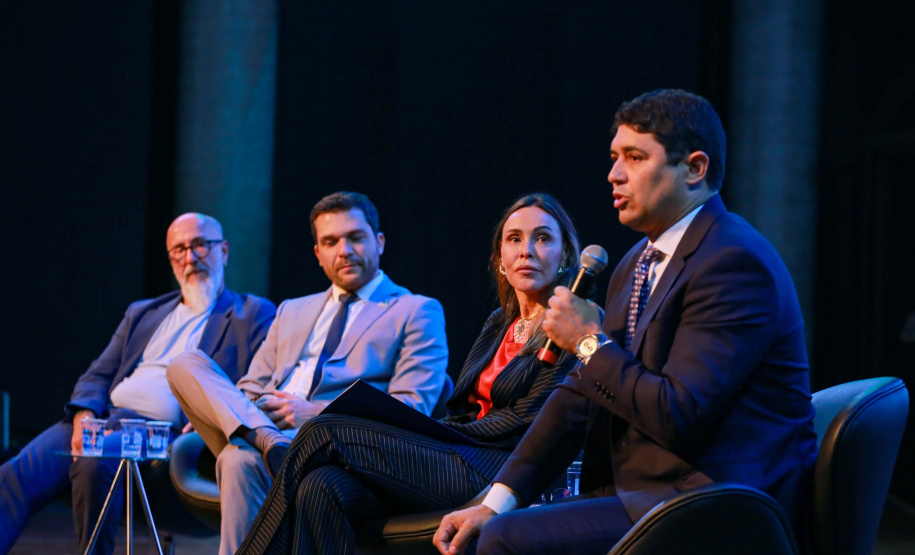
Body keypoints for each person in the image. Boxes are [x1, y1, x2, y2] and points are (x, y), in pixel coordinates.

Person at [433, 89, 819, 555]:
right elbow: (577, 397)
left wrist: (588, 342)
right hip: (643, 494)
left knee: (505, 542)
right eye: (615, 157)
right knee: (490, 525)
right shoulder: (637, 261)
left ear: (695, 169)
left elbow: (678, 414)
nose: (614, 175)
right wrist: (496, 501)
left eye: (635, 158)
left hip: (714, 501)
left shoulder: (733, 262)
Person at [236, 193, 585, 555]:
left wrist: (446, 433)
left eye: (542, 238)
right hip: (457, 454)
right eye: (514, 239)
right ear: (501, 259)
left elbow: (531, 420)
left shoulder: (574, 325)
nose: (526, 250)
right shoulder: (500, 322)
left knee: (323, 430)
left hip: (498, 472)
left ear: (565, 256)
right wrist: (447, 432)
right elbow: (463, 406)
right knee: (322, 485)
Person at [166, 191, 449, 555]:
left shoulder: (415, 310)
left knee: (237, 459)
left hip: (336, 450)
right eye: (331, 242)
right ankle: (268, 441)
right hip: (268, 437)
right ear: (318, 253)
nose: (343, 250)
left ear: (378, 242)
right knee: (185, 363)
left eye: (355, 237)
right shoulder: (291, 311)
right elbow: (250, 386)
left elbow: (412, 409)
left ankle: (269, 443)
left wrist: (314, 413)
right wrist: (253, 409)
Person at [0, 213, 276, 555]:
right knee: (13, 476)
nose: (190, 258)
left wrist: (210, 416)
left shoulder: (253, 314)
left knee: (95, 461)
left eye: (200, 245)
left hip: (163, 432)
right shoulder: (144, 312)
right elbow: (99, 374)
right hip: (103, 419)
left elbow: (258, 381)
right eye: (179, 250)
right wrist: (83, 413)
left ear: (224, 250)